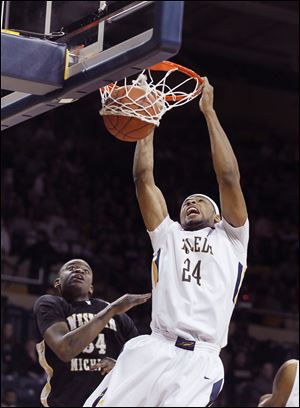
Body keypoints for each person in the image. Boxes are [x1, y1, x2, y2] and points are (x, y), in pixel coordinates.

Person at [84, 77, 249, 407]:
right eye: (187, 201)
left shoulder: (232, 238)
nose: (191, 203)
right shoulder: (168, 234)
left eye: (201, 201)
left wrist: (209, 112)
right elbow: (143, 179)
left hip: (200, 360)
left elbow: (228, 177)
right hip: (153, 347)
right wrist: (148, 115)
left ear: (218, 216)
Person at [33, 258, 151, 407]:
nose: (79, 270)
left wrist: (120, 365)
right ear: (57, 282)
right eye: (72, 268)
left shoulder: (117, 314)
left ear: (91, 288)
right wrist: (112, 309)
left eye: (85, 271)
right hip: (65, 401)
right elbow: (65, 349)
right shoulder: (50, 304)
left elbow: (141, 360)